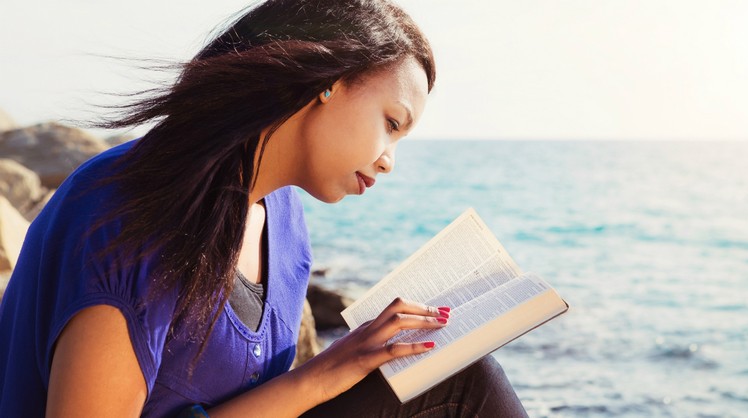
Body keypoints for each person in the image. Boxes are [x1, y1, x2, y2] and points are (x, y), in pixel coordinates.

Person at [0, 0, 528, 416]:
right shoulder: (129, 208)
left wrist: (350, 364)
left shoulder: (285, 221)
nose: (389, 161)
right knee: (463, 388)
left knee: (449, 368)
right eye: (391, 123)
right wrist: (322, 375)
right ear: (326, 83)